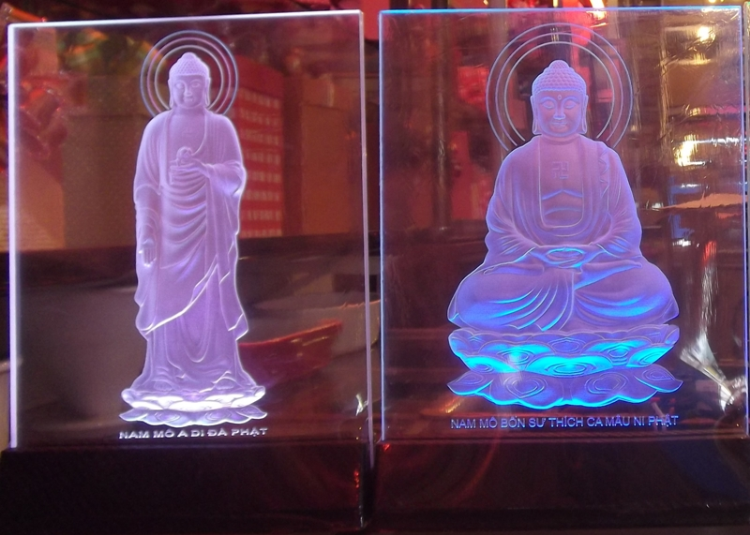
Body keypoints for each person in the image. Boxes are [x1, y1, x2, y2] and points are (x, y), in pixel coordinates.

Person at [448, 60, 678, 334]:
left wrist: (588, 254)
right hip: (534, 271)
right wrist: (539, 256)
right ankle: (579, 318)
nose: (558, 114)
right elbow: (501, 231)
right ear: (535, 107)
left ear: (583, 106)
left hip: (592, 270)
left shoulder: (605, 159)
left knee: (653, 287)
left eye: (569, 104)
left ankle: (553, 317)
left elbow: (626, 229)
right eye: (548, 104)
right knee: (473, 296)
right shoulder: (517, 162)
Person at [121, 52, 265, 426]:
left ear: (208, 88)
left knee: (210, 303)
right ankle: (165, 376)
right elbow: (145, 186)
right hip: (168, 234)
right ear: (170, 88)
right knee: (168, 305)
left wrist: (204, 169)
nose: (188, 92)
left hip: (209, 233)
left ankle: (219, 375)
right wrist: (146, 232)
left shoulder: (220, 127)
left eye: (196, 84)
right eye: (181, 85)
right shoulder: (157, 129)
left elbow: (235, 175)